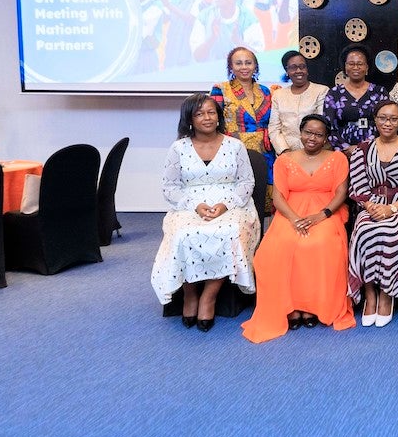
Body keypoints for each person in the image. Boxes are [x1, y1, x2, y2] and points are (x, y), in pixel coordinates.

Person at [150, 93, 259, 332]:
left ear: (218, 116)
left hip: (231, 204)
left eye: (211, 112)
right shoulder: (178, 148)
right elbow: (170, 186)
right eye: (199, 114)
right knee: (183, 233)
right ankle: (190, 293)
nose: (207, 118)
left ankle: (209, 295)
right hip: (189, 204)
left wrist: (225, 205)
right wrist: (194, 205)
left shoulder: (235, 146)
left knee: (228, 231)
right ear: (189, 119)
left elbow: (246, 183)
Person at [242, 115, 354, 342]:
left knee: (318, 244)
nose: (312, 138)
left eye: (319, 134)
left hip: (326, 211)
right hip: (291, 212)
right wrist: (293, 219)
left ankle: (313, 306)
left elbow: (341, 193)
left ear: (326, 138)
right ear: (300, 133)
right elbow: (278, 196)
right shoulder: (284, 160)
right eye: (308, 133)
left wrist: (321, 215)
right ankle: (290, 306)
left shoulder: (338, 158)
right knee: (281, 245)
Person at [347, 100, 398, 327]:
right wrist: (371, 207)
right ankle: (370, 295)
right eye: (383, 118)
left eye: (394, 119)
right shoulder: (362, 150)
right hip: (371, 205)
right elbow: (357, 187)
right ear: (375, 119)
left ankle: (386, 293)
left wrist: (392, 208)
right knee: (364, 230)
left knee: (391, 230)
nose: (388, 123)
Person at [211, 46, 274, 209]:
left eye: (248, 63)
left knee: (263, 198)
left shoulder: (265, 91)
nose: (244, 67)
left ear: (255, 66)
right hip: (234, 149)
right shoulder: (221, 88)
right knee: (239, 198)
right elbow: (213, 119)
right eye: (238, 63)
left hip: (264, 151)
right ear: (231, 67)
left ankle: (263, 234)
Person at [321, 44, 388, 153]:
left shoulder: (379, 92)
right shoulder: (334, 93)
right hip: (344, 151)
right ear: (345, 67)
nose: (355, 67)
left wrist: (368, 147)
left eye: (360, 64)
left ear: (366, 67)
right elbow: (329, 126)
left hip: (376, 150)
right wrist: (345, 148)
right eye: (351, 64)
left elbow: (386, 122)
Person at [191, 0, 264, 63]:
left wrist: (238, 41)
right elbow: (197, 57)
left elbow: (258, 58)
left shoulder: (248, 18)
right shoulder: (204, 16)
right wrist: (212, 38)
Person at [269, 50, 328, 156]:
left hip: (315, 153)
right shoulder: (278, 95)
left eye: (302, 66)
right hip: (286, 155)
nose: (298, 71)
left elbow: (321, 125)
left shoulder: (321, 91)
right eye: (293, 67)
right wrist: (284, 151)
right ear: (287, 71)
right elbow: (274, 128)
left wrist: (309, 150)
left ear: (307, 69)